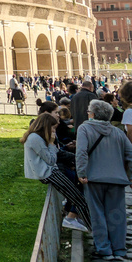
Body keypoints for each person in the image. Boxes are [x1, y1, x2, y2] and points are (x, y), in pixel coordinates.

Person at [77, 99, 132, 260]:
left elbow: (81, 152)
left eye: (89, 112)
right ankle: (119, 249)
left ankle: (104, 249)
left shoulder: (85, 128)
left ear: (93, 114)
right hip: (116, 179)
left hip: (93, 178)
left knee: (98, 215)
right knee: (117, 215)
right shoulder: (118, 132)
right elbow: (130, 155)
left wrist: (81, 173)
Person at [22, 113, 90, 234]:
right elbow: (51, 159)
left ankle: (83, 222)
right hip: (49, 173)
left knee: (79, 198)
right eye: (53, 128)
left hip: (49, 172)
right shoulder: (35, 138)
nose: (54, 131)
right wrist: (52, 144)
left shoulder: (35, 137)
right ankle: (92, 228)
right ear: (46, 126)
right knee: (80, 200)